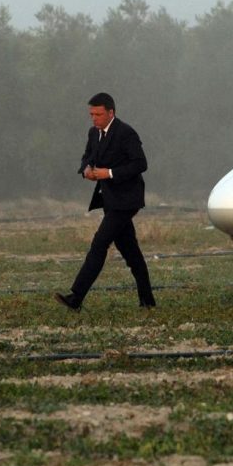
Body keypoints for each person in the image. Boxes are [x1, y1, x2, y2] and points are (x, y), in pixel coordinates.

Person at [56, 93, 155, 311]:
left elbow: (140, 163)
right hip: (110, 200)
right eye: (91, 114)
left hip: (127, 201)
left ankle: (76, 297)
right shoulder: (93, 133)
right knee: (131, 253)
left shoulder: (126, 133)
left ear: (111, 112)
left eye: (99, 114)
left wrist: (108, 173)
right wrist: (87, 171)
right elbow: (87, 157)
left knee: (99, 244)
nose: (94, 118)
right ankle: (148, 302)